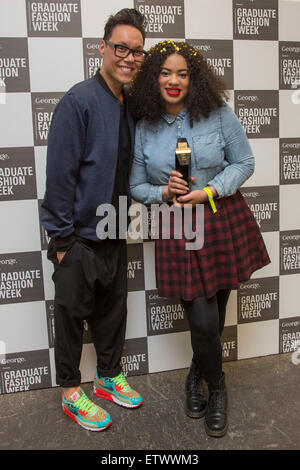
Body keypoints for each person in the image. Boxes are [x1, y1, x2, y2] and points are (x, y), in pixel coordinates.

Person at [128, 40, 270, 438]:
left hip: (220, 217)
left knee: (214, 316)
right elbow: (136, 185)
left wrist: (210, 190)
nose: (173, 81)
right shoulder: (144, 126)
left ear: (195, 78)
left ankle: (197, 371)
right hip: (178, 226)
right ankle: (218, 385)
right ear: (153, 78)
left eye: (183, 73)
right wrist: (163, 193)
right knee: (205, 322)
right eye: (165, 72)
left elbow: (244, 162)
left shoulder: (219, 114)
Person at [40, 8, 147, 432]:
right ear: (102, 48)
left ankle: (107, 378)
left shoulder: (131, 104)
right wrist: (64, 243)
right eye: (121, 47)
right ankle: (70, 392)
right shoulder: (78, 100)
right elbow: (60, 175)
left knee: (111, 312)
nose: (129, 57)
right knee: (70, 318)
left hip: (116, 230)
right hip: (78, 238)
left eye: (137, 51)